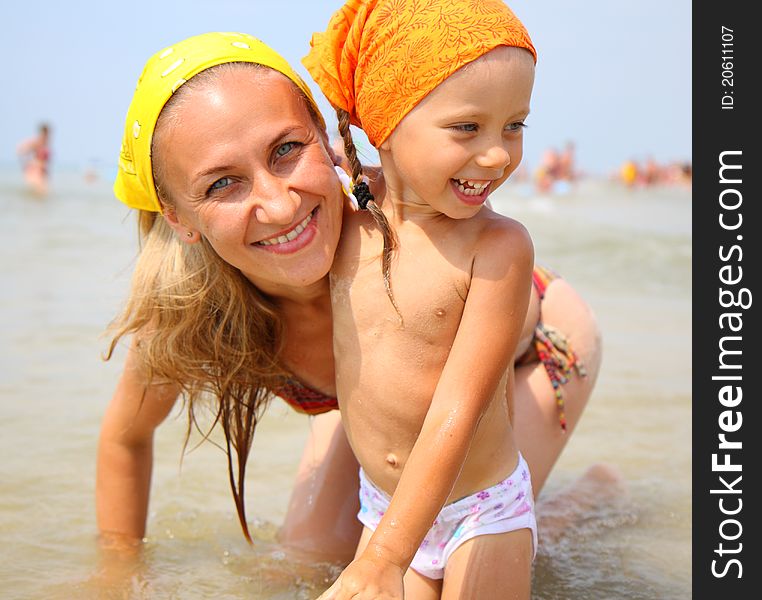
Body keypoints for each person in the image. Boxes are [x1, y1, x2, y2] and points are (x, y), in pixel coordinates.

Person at [96, 29, 601, 578]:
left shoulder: (393, 222)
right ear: (179, 218)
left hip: (531, 347)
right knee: (310, 552)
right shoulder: (192, 307)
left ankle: (585, 508)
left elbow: (467, 396)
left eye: (286, 150)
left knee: (478, 523)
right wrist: (117, 577)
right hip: (387, 400)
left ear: (326, 138)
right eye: (223, 185)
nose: (279, 204)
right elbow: (125, 438)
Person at [303, 1, 563, 597]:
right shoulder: (348, 212)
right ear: (385, 125)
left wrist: (383, 559)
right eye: (467, 127)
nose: (497, 153)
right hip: (385, 503)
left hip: (481, 508)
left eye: (514, 125)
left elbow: (460, 408)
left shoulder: (499, 248)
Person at [17, 122, 51, 196]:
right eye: (46, 133)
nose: (48, 135)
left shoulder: (46, 143)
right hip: (36, 172)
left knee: (42, 196)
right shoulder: (36, 142)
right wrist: (29, 163)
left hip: (43, 173)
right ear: (42, 133)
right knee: (40, 194)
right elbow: (20, 150)